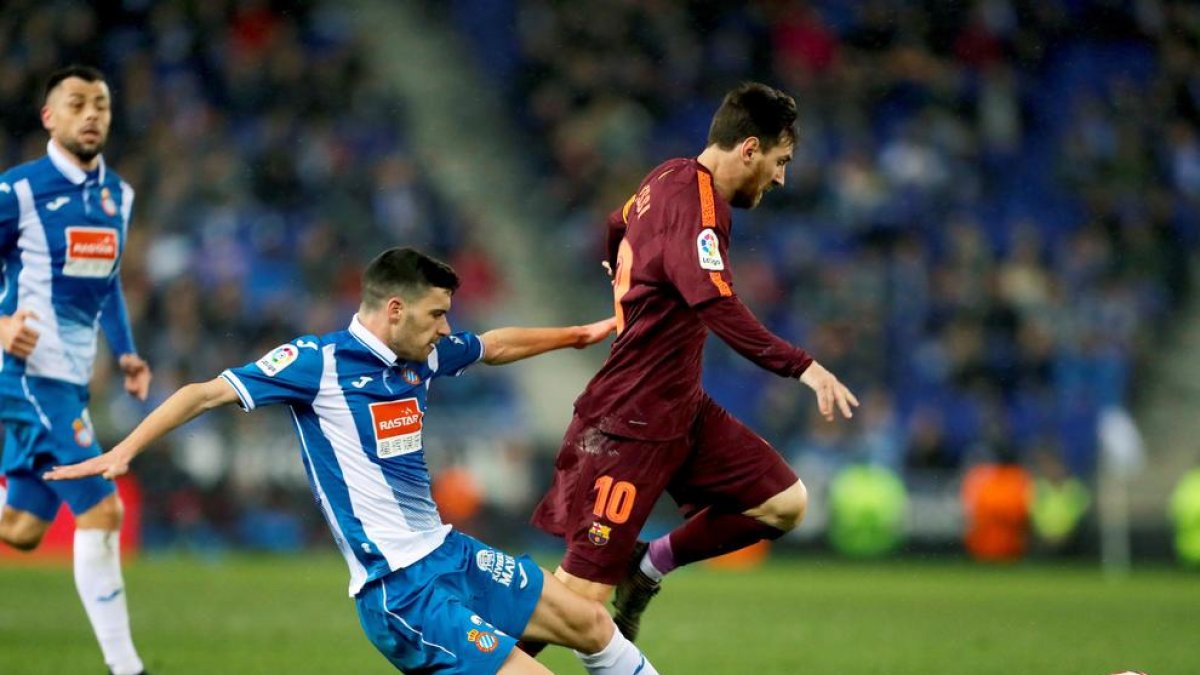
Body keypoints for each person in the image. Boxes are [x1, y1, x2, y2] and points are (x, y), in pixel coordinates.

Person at [47, 247, 660, 675]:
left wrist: (581, 333)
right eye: (436, 315)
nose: (446, 329)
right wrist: (123, 450)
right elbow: (203, 392)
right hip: (398, 590)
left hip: (449, 553)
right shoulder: (318, 364)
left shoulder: (423, 354)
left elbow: (493, 345)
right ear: (394, 309)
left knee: (591, 624)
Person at [528, 82, 859, 644]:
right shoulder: (699, 207)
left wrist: (625, 281)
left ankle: (647, 566)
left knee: (783, 504)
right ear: (749, 149)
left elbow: (615, 223)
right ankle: (480, 659)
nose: (781, 177)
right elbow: (716, 305)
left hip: (679, 405)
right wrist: (803, 366)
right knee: (577, 608)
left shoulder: (664, 178)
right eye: (780, 162)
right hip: (630, 422)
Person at [0, 65, 151, 675]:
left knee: (23, 528)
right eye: (77, 103)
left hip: (67, 379)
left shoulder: (119, 195)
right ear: (49, 117)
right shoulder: (18, 192)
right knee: (103, 509)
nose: (91, 114)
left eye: (101, 105)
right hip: (23, 372)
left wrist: (125, 351)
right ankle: (127, 668)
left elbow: (107, 283)